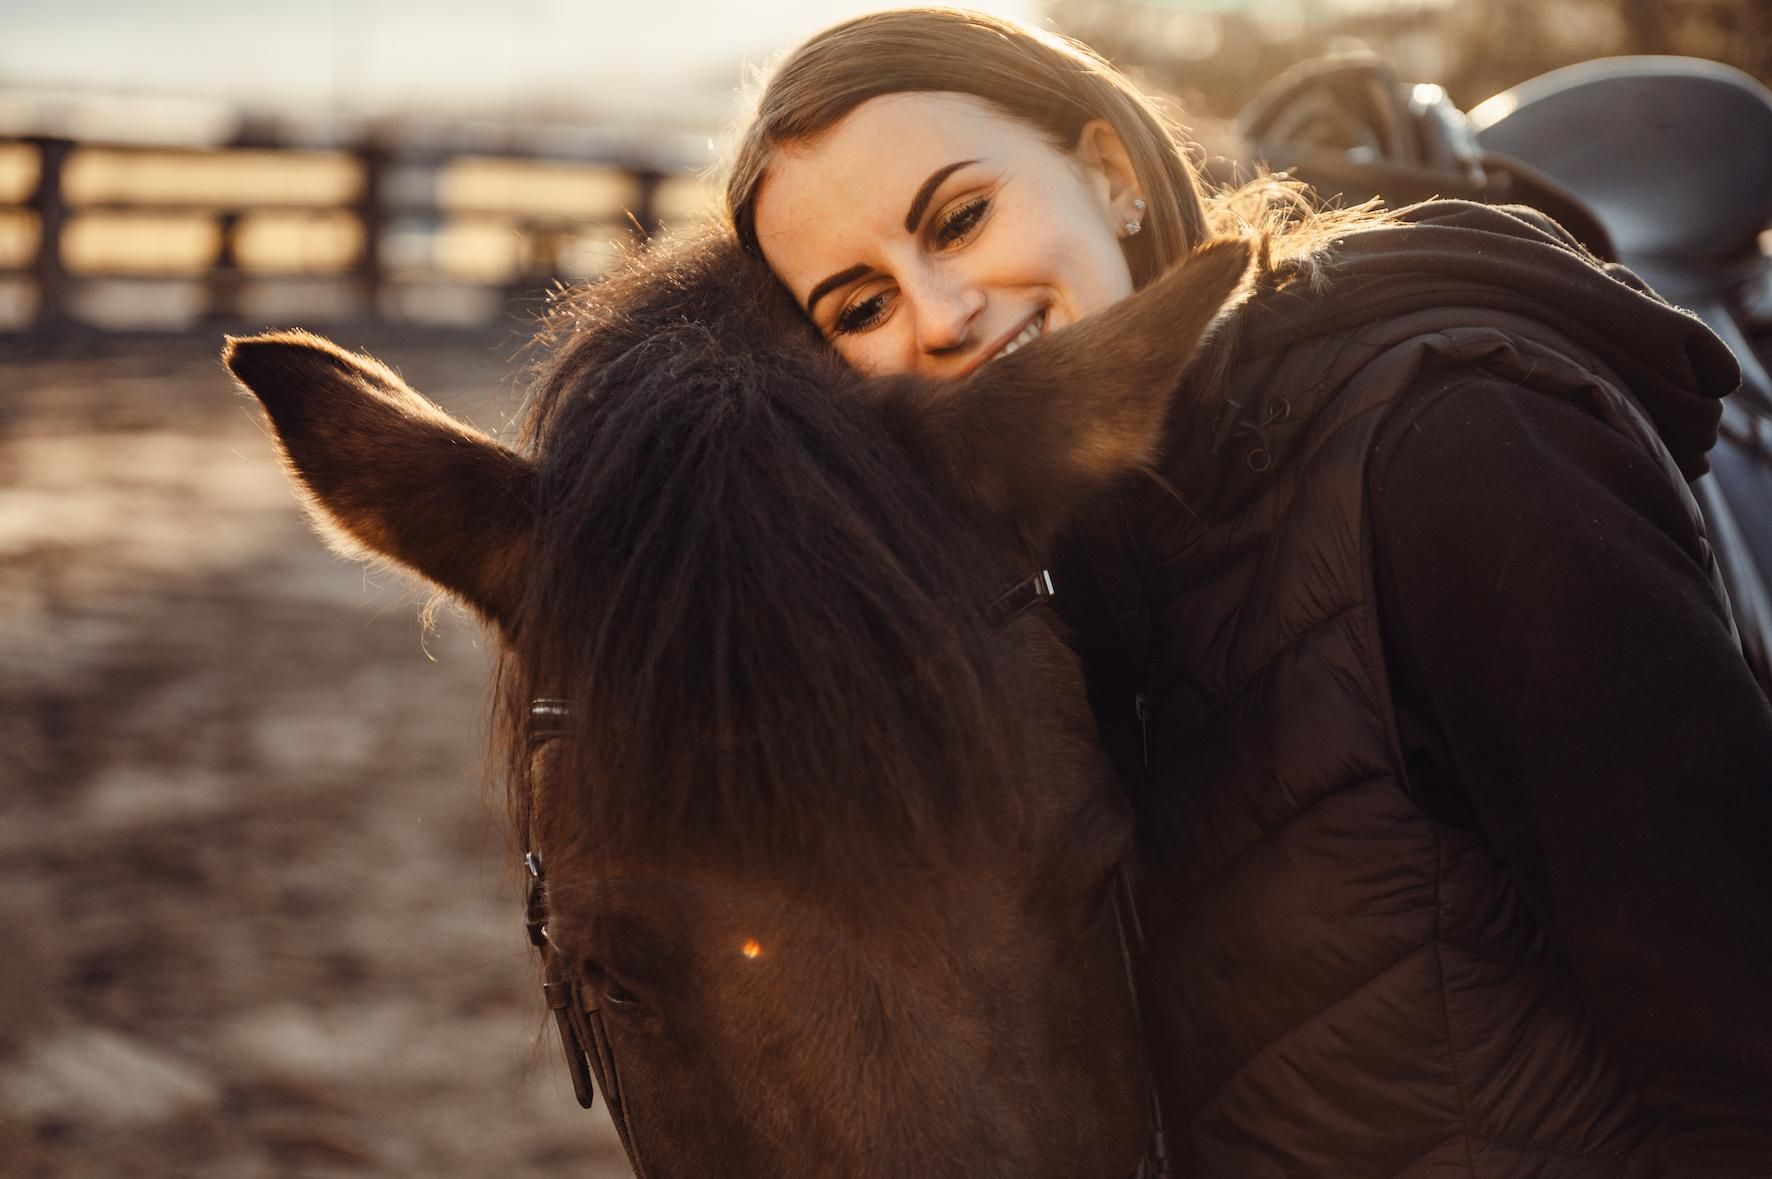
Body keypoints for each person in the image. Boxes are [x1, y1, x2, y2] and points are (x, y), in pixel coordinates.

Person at [723, 8, 1772, 1177]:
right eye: (857, 306)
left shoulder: (1452, 453)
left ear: (1111, 174)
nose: (940, 315)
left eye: (960, 219)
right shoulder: (1037, 598)